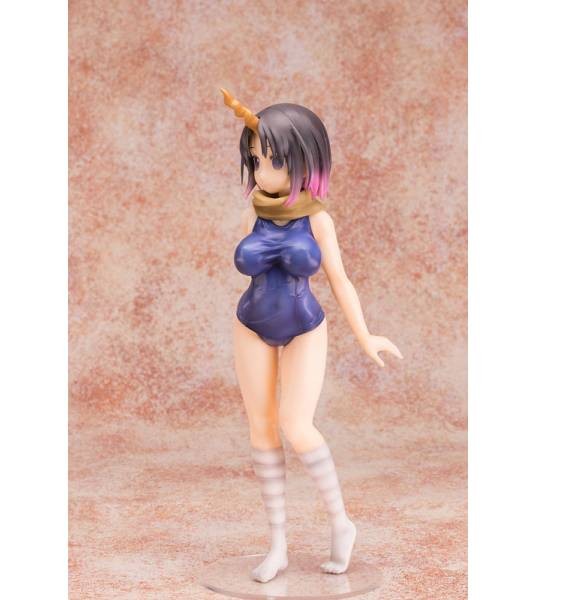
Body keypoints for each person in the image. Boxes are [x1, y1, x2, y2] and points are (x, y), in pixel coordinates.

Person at [222, 89, 403, 583]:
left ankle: (341, 523)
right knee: (261, 430)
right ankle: (277, 544)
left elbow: (340, 280)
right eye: (256, 160)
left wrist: (365, 335)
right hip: (251, 323)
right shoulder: (254, 212)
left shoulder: (318, 219)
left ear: (304, 159)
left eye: (274, 161)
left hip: (304, 326)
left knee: (297, 425)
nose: (263, 173)